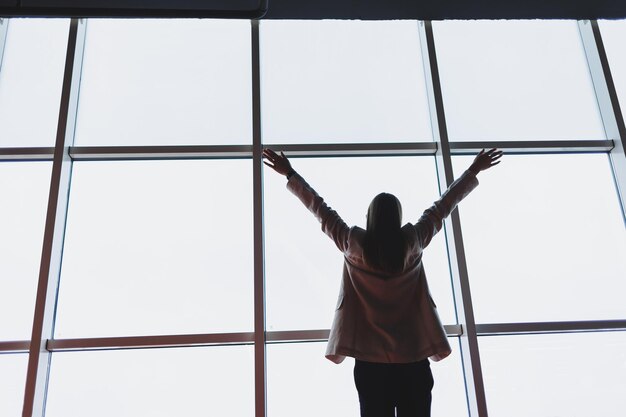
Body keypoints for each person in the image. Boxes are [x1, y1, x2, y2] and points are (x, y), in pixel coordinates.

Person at [263, 148, 503, 417]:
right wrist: (473, 170)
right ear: (397, 218)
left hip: (370, 362)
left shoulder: (351, 243)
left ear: (370, 217)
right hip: (413, 358)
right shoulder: (413, 241)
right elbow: (442, 207)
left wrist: (290, 173)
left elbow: (319, 209)